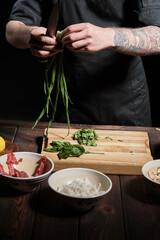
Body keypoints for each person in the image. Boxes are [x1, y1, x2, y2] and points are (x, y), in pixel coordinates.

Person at [5, 0, 160, 126]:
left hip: (124, 105)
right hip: (67, 103)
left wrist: (110, 36)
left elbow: (157, 37)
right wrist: (30, 35)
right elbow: (12, 29)